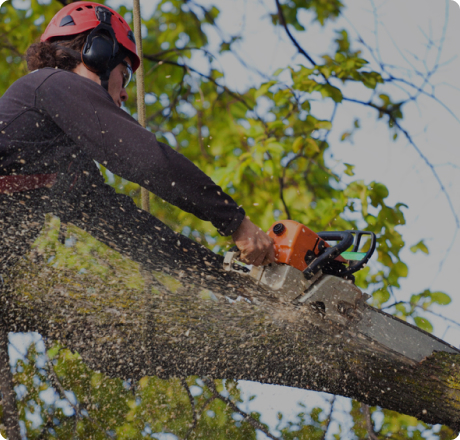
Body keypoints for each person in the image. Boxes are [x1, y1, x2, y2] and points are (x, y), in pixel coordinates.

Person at [0, 1, 275, 277]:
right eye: (124, 75)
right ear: (98, 53)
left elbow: (132, 231)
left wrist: (233, 279)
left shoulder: (66, 165)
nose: (125, 93)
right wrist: (235, 221)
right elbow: (150, 161)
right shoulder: (51, 84)